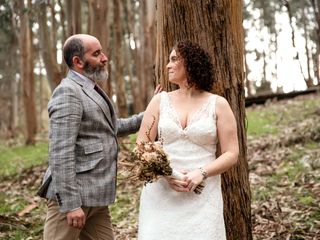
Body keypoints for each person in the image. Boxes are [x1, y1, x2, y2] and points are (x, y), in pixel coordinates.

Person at [37, 34, 160, 240]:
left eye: (102, 52)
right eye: (96, 54)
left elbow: (111, 128)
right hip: (74, 198)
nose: (104, 58)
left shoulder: (90, 88)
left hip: (96, 197)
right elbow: (60, 152)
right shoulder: (68, 92)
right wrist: (71, 204)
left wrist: (150, 111)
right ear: (77, 62)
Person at [136, 40, 239, 239]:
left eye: (174, 59)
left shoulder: (218, 104)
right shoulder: (159, 101)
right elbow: (142, 146)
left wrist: (201, 173)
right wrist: (167, 174)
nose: (168, 65)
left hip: (203, 196)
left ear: (191, 64)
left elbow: (231, 153)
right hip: (161, 193)